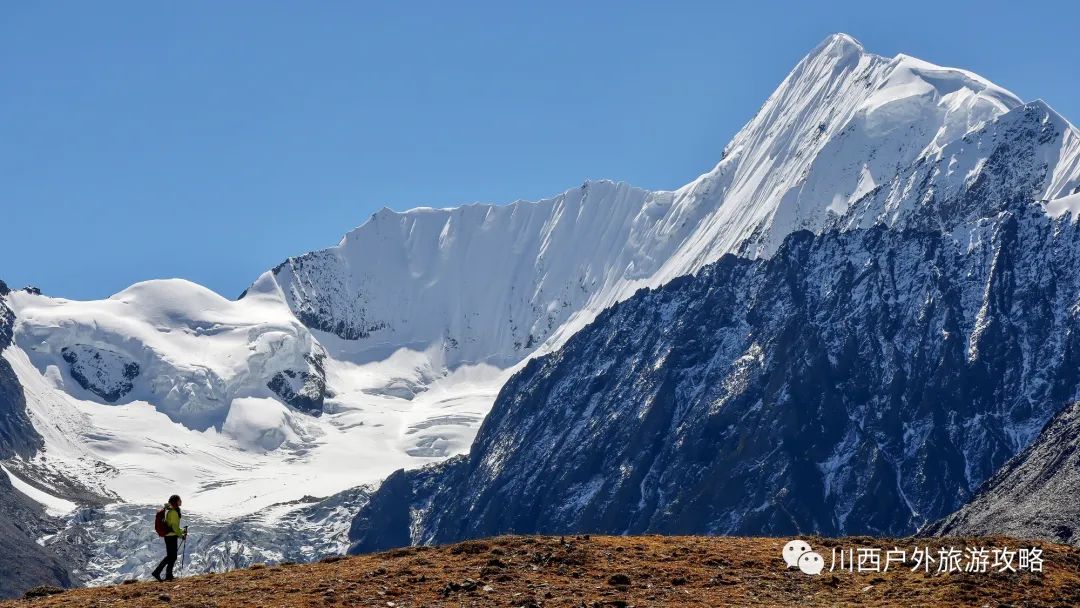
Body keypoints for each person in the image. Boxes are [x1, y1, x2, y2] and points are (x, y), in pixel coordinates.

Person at [152, 495, 187, 581]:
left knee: (171, 556)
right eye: (179, 500)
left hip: (168, 535)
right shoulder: (174, 512)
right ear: (176, 501)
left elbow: (172, 527)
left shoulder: (170, 510)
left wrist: (182, 531)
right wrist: (181, 535)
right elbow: (174, 527)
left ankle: (167, 574)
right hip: (171, 536)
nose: (181, 501)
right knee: (172, 556)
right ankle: (159, 573)